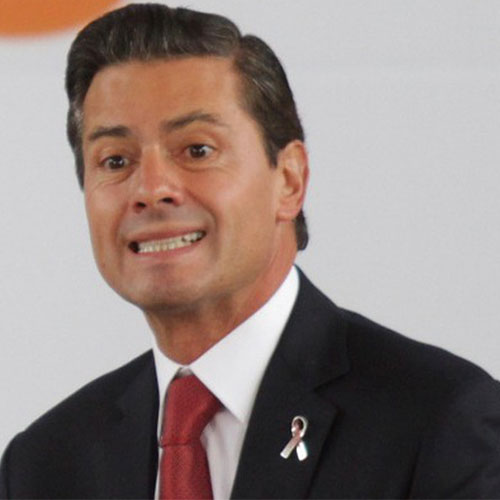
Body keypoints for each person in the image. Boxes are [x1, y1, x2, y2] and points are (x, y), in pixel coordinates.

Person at [1, 3, 499, 499]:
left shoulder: (437, 421)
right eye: (115, 161)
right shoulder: (43, 467)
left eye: (197, 150)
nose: (150, 189)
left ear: (289, 180)